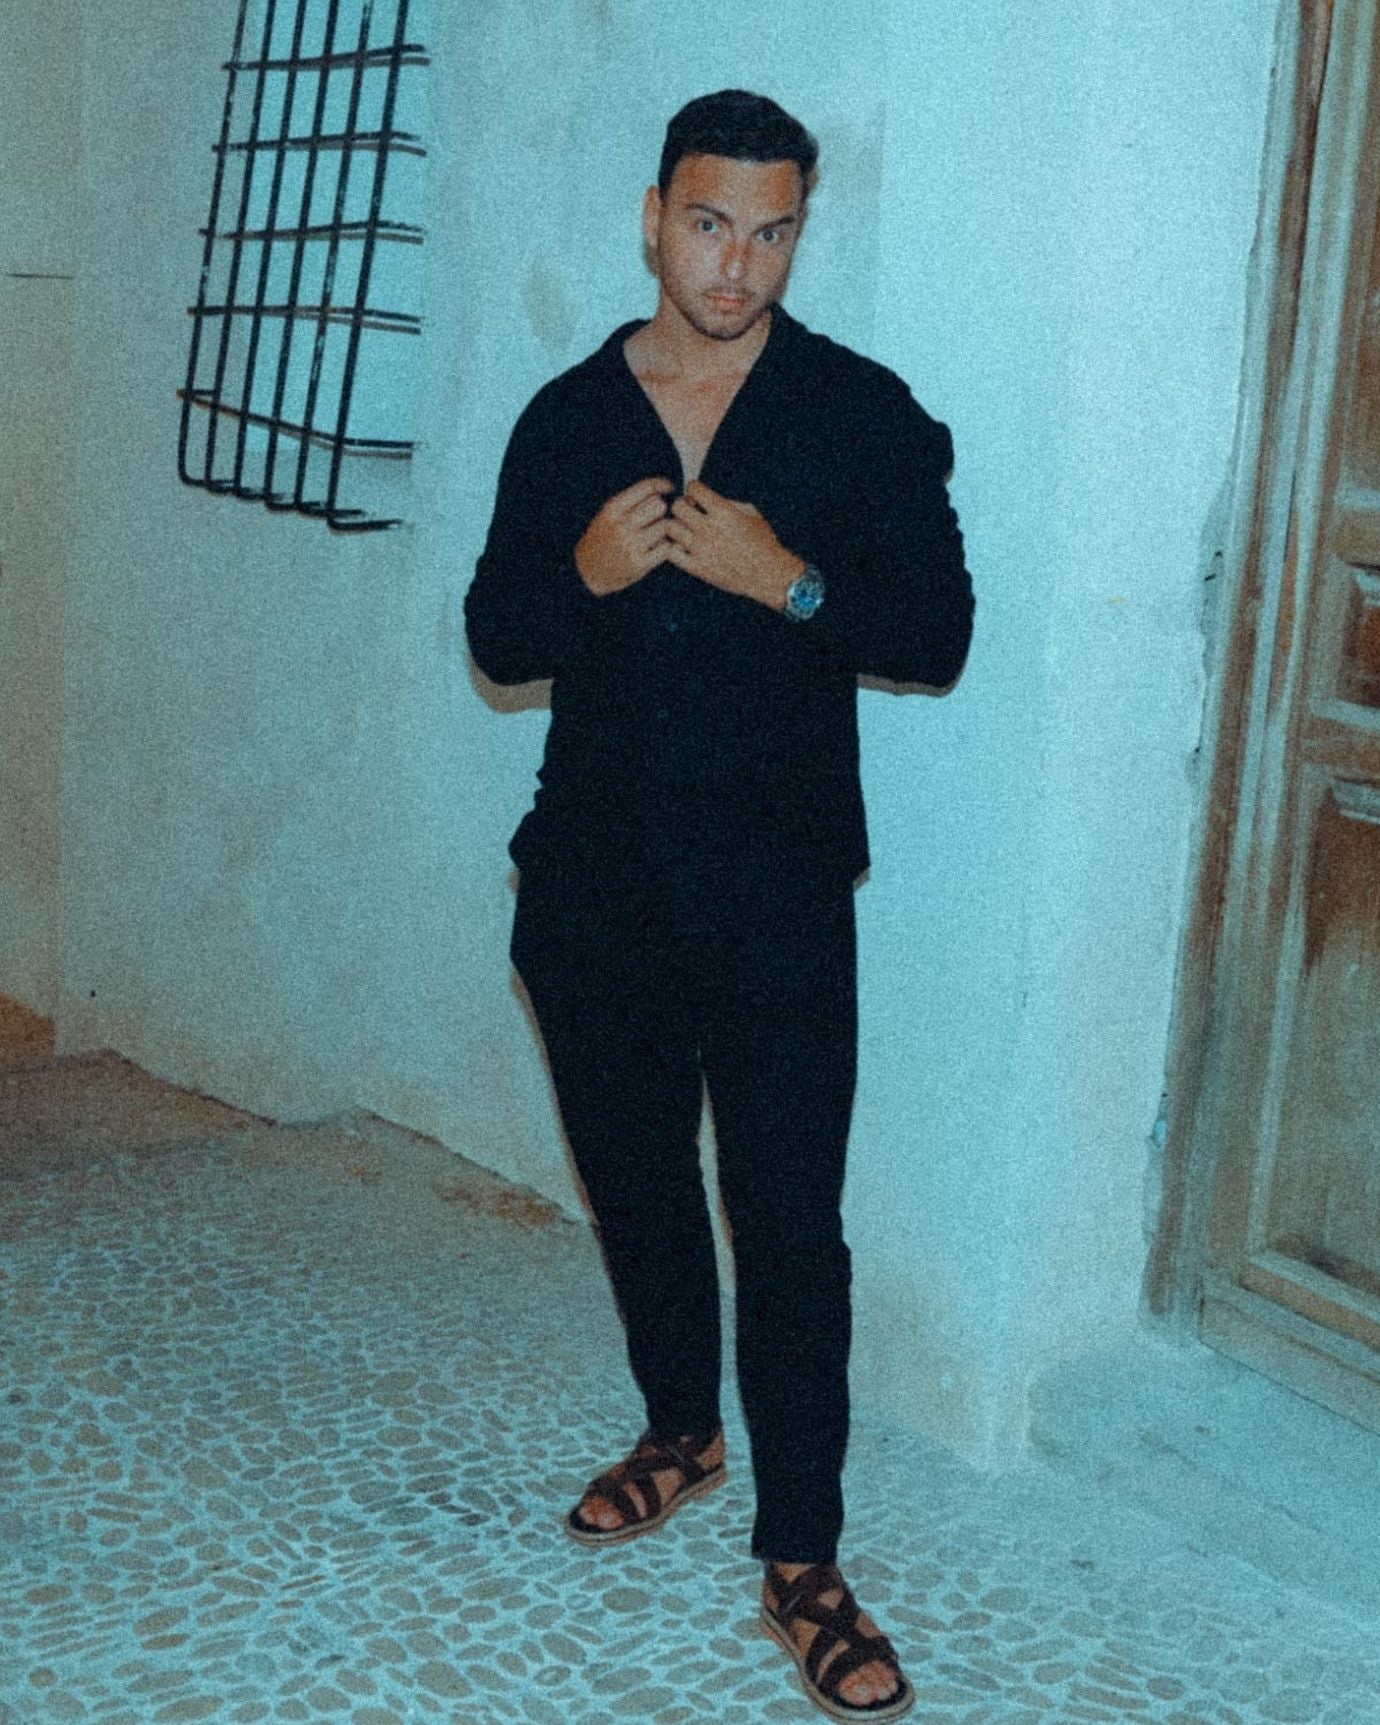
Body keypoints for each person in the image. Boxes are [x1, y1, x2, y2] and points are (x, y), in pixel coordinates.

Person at [465, 88, 973, 1722]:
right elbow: (498, 633)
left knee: (790, 1217)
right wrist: (585, 577)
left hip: (777, 887)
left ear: (798, 232)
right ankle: (680, 1426)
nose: (737, 265)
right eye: (708, 224)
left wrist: (790, 580)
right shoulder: (567, 419)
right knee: (636, 1181)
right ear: (652, 220)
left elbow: (938, 632)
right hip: (593, 882)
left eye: (772, 231)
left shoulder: (860, 413)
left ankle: (802, 1557)